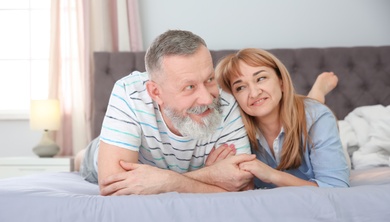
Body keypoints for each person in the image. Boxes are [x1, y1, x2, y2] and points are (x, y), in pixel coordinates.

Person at [77, 30, 332, 195]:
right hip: (103, 155)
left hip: (155, 166)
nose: (207, 97)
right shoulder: (127, 93)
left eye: (209, 79)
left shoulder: (226, 102)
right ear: (156, 92)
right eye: (189, 87)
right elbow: (113, 186)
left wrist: (168, 182)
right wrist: (209, 177)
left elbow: (242, 186)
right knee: (85, 159)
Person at [214, 48, 350, 188]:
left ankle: (317, 93)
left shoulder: (318, 117)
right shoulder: (234, 132)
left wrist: (272, 175)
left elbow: (336, 188)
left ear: (281, 82)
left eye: (261, 79)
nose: (254, 93)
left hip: (317, 128)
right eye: (240, 87)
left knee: (311, 110)